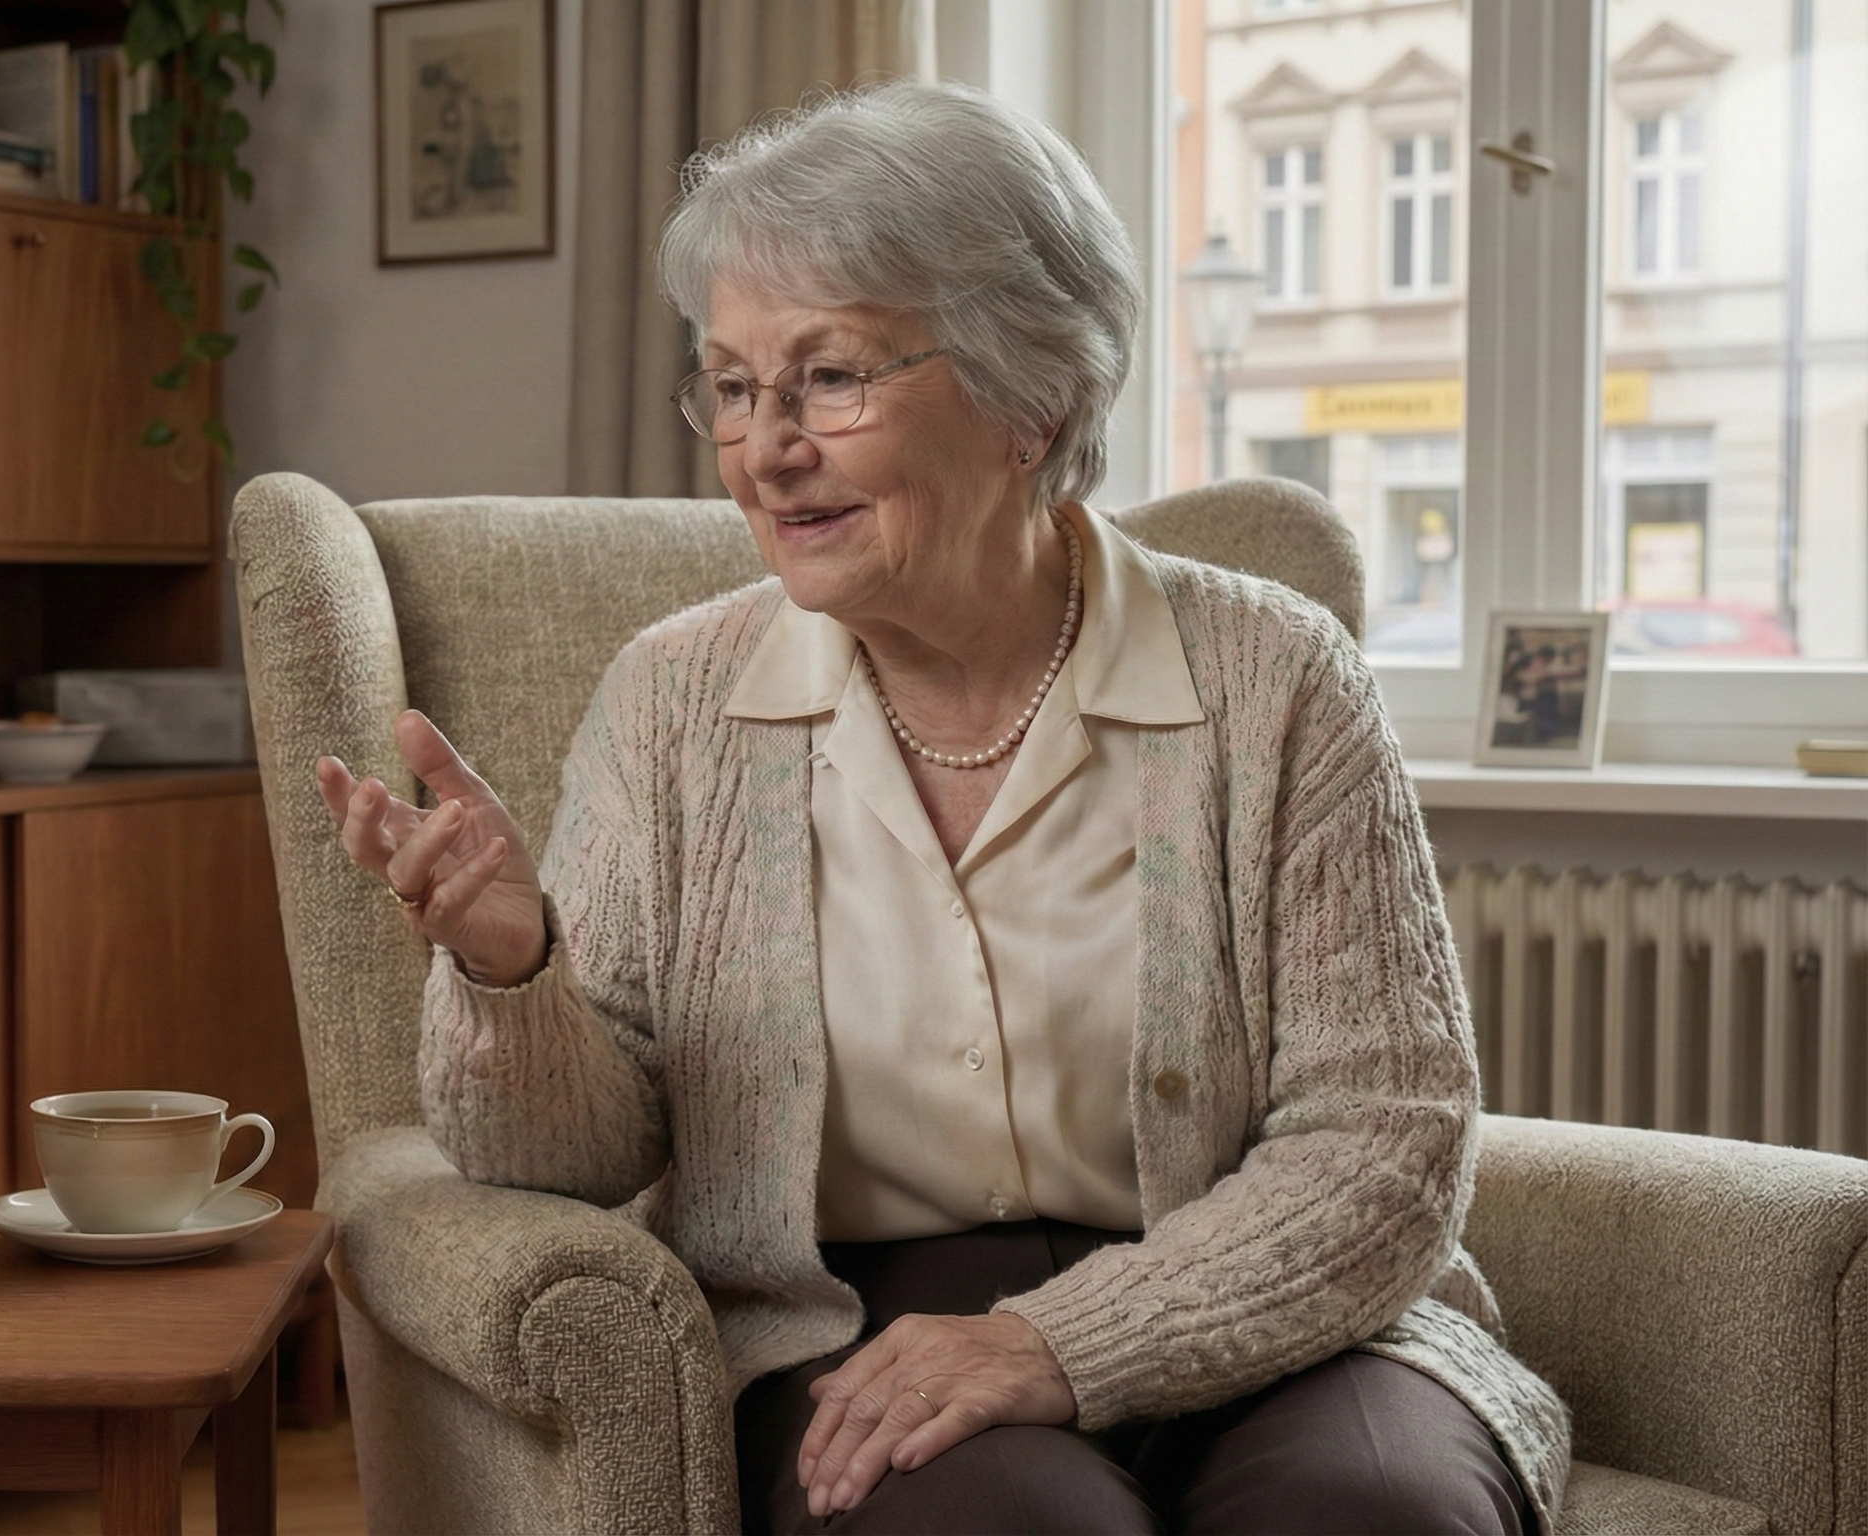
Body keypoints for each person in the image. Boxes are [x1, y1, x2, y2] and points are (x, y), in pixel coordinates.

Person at [313, 80, 1567, 1534]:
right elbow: (571, 1163)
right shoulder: (673, 704)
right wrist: (513, 968)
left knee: (1377, 1520)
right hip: (855, 1323)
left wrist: (1062, 1342)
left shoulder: (1276, 678)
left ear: (1030, 397)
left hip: (1271, 1309)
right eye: (730, 385)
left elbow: (1387, 1132)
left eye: (829, 378)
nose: (763, 446)